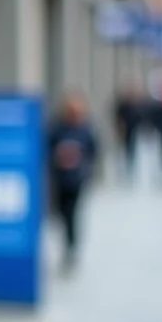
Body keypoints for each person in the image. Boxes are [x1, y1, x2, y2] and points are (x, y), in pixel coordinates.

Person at [47, 91, 99, 271]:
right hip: (60, 179)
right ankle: (67, 243)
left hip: (77, 180)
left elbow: (93, 151)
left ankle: (71, 246)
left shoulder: (84, 129)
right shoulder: (57, 128)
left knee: (72, 214)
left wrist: (87, 172)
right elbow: (48, 148)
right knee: (61, 213)